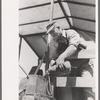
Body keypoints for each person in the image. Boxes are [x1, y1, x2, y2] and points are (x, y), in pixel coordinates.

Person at [46, 22, 95, 100]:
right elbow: (52, 58)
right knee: (66, 88)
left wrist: (61, 57)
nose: (52, 34)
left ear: (58, 28)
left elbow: (73, 47)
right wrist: (53, 64)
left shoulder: (71, 33)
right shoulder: (53, 42)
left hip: (84, 64)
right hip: (70, 67)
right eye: (50, 33)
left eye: (52, 31)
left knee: (88, 88)